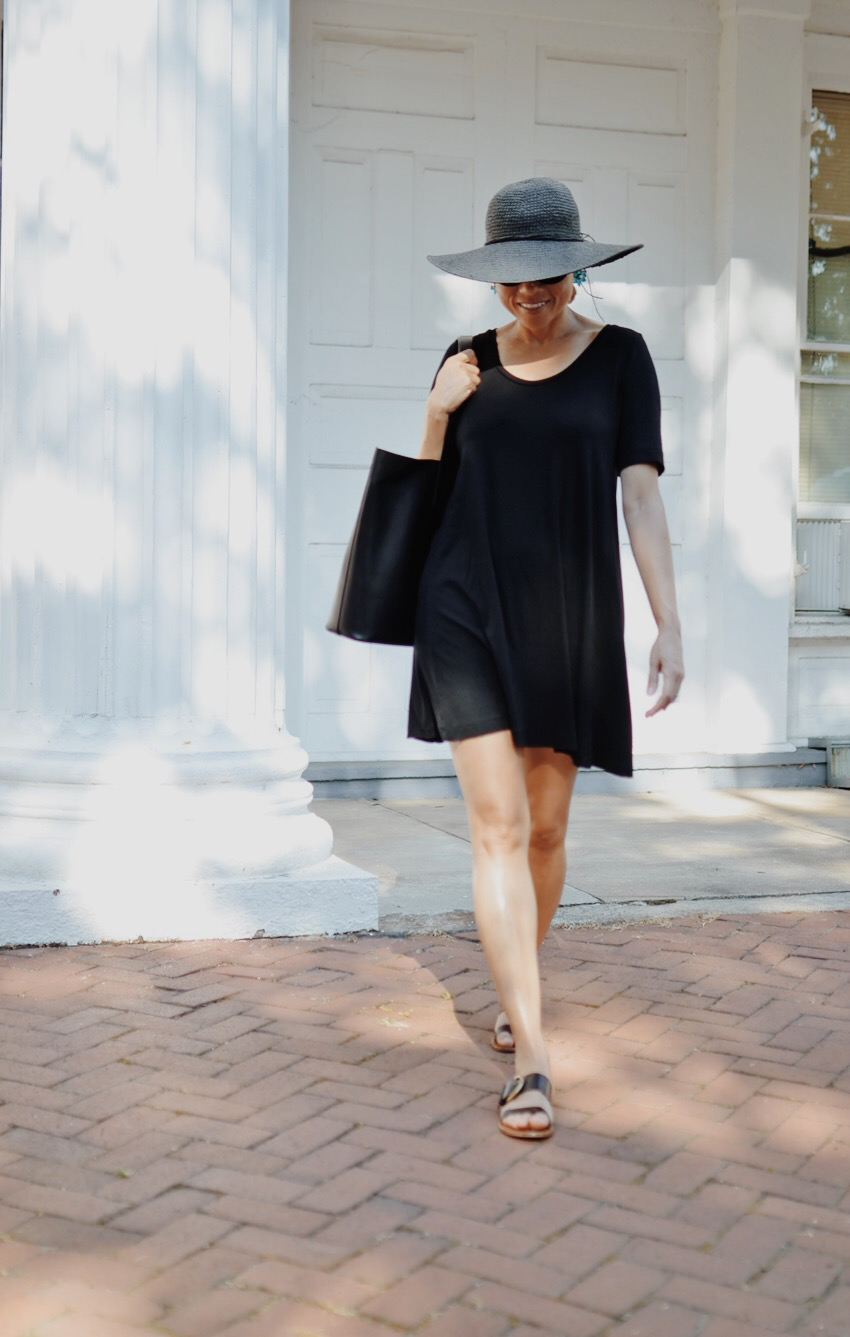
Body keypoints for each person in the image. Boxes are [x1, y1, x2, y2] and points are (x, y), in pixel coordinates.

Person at [407, 177, 684, 1141]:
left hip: (568, 612)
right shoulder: (465, 360)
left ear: (577, 269)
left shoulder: (622, 359)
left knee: (545, 832)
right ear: (492, 279)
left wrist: (669, 622)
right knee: (496, 825)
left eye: (549, 275)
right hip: (463, 604)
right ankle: (531, 1051)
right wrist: (437, 413)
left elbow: (640, 496)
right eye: (515, 278)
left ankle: (514, 976)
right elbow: (424, 495)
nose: (533, 293)